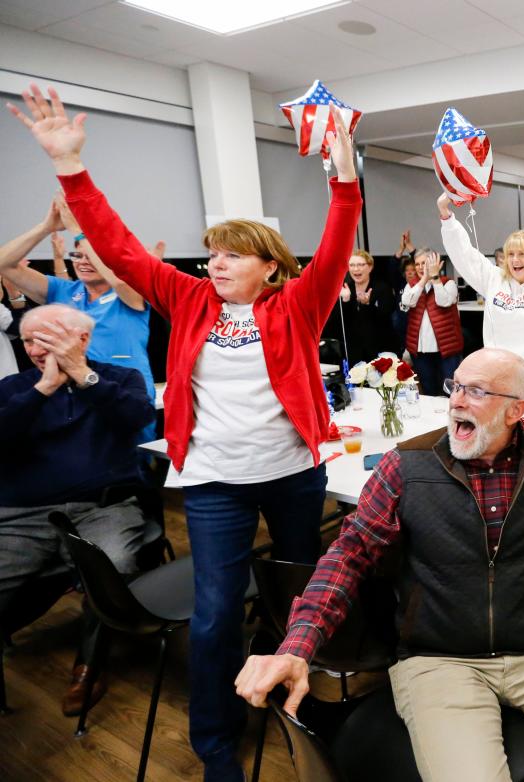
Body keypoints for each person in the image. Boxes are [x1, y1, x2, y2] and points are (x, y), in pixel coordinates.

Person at [9, 84, 363, 781]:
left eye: (231, 255)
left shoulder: (299, 304)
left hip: (293, 474)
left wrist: (344, 177)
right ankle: (216, 747)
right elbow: (118, 245)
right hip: (211, 485)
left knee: (298, 599)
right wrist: (71, 169)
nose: (216, 263)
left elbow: (337, 241)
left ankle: (297, 705)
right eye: (211, 253)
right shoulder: (187, 296)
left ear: (269, 266)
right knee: (212, 617)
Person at [235, 348, 524, 782]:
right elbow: (347, 555)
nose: (456, 401)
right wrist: (296, 647)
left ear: (517, 410)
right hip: (438, 660)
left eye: (476, 391)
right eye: (455, 386)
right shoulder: (407, 465)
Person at [0, 304, 154, 716]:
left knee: (114, 566)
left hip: (103, 506)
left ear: (81, 340)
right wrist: (42, 390)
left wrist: (86, 379)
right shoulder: (14, 387)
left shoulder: (120, 378)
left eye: (47, 338)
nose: (34, 348)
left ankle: (90, 663)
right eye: (29, 339)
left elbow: (136, 417)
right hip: (21, 514)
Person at [0, 197, 155, 408]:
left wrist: (78, 231)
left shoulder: (128, 291)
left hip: (125, 397)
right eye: (76, 255)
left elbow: (119, 279)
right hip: (75, 402)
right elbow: (5, 264)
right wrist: (45, 228)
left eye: (90, 256)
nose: (82, 262)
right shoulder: (62, 290)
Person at [439, 178, 524, 410]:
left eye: (522, 253)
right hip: (498, 382)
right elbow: (465, 254)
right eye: (510, 254)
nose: (515, 260)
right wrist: (446, 214)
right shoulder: (494, 280)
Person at [398, 248, 463, 398]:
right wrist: (422, 281)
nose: (420, 267)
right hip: (421, 351)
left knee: (450, 392)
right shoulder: (412, 285)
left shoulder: (448, 283)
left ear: (435, 264)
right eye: (417, 264)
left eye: (424, 263)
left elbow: (444, 301)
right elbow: (407, 301)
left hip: (447, 350)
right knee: (429, 391)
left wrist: (434, 278)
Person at [337, 248, 397, 363]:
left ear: (370, 267)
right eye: (352, 265)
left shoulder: (382, 288)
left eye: (360, 264)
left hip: (380, 351)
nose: (356, 269)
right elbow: (339, 324)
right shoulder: (344, 289)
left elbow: (386, 317)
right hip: (354, 353)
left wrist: (368, 304)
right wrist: (346, 300)